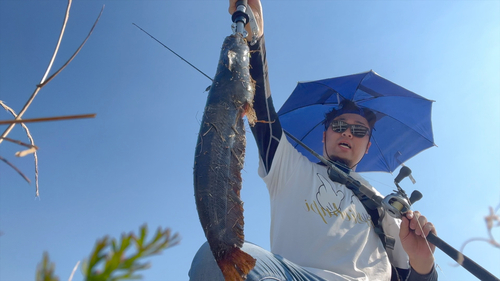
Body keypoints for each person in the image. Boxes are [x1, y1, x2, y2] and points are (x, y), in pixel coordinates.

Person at [189, 1, 438, 280]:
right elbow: (264, 114)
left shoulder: (381, 203)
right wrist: (255, 37)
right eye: (340, 125)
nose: (347, 133)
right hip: (297, 276)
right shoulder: (290, 168)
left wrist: (423, 266)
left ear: (368, 145)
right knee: (213, 260)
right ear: (325, 134)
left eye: (359, 131)